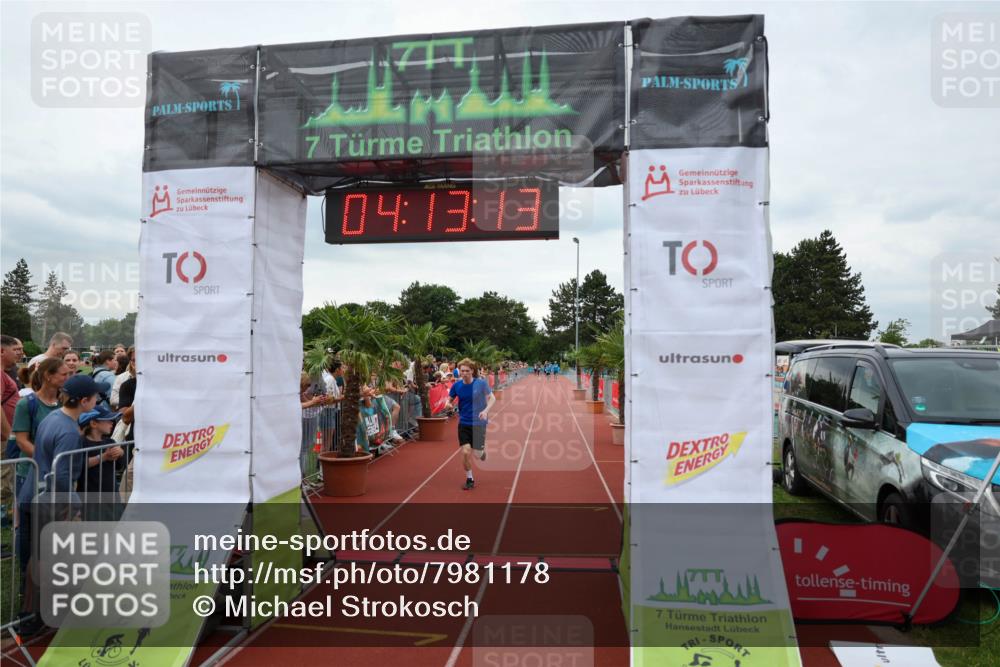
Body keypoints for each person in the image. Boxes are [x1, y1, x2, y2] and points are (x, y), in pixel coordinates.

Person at [15, 374, 100, 637]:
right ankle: (40, 614)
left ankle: (32, 614)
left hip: (33, 495)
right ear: (84, 401)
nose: (97, 401)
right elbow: (62, 475)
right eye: (95, 397)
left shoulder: (52, 418)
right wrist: (73, 507)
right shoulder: (68, 431)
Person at [448, 358, 495, 490]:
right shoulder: (457, 386)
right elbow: (450, 399)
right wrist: (448, 404)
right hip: (464, 423)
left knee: (478, 455)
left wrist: (485, 411)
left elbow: (492, 398)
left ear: (472, 371)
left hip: (479, 423)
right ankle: (470, 478)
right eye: (462, 371)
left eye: (467, 371)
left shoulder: (481, 384)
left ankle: (482, 453)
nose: (464, 373)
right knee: (465, 451)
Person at [78, 404, 124, 521]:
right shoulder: (81, 442)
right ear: (93, 423)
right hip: (90, 498)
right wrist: (104, 457)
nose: (112, 422)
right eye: (107, 420)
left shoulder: (110, 441)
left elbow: (119, 465)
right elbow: (78, 464)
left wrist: (120, 453)